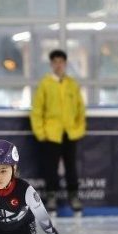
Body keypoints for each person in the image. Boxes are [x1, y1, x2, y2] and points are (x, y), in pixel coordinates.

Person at [30, 49, 86, 213]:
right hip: (51, 134)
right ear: (51, 64)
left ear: (65, 64)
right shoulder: (45, 84)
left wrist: (79, 129)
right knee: (51, 168)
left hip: (70, 133)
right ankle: (51, 197)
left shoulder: (72, 84)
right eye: (55, 62)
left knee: (71, 167)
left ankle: (73, 196)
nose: (58, 65)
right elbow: (37, 111)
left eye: (61, 62)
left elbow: (80, 109)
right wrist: (41, 133)